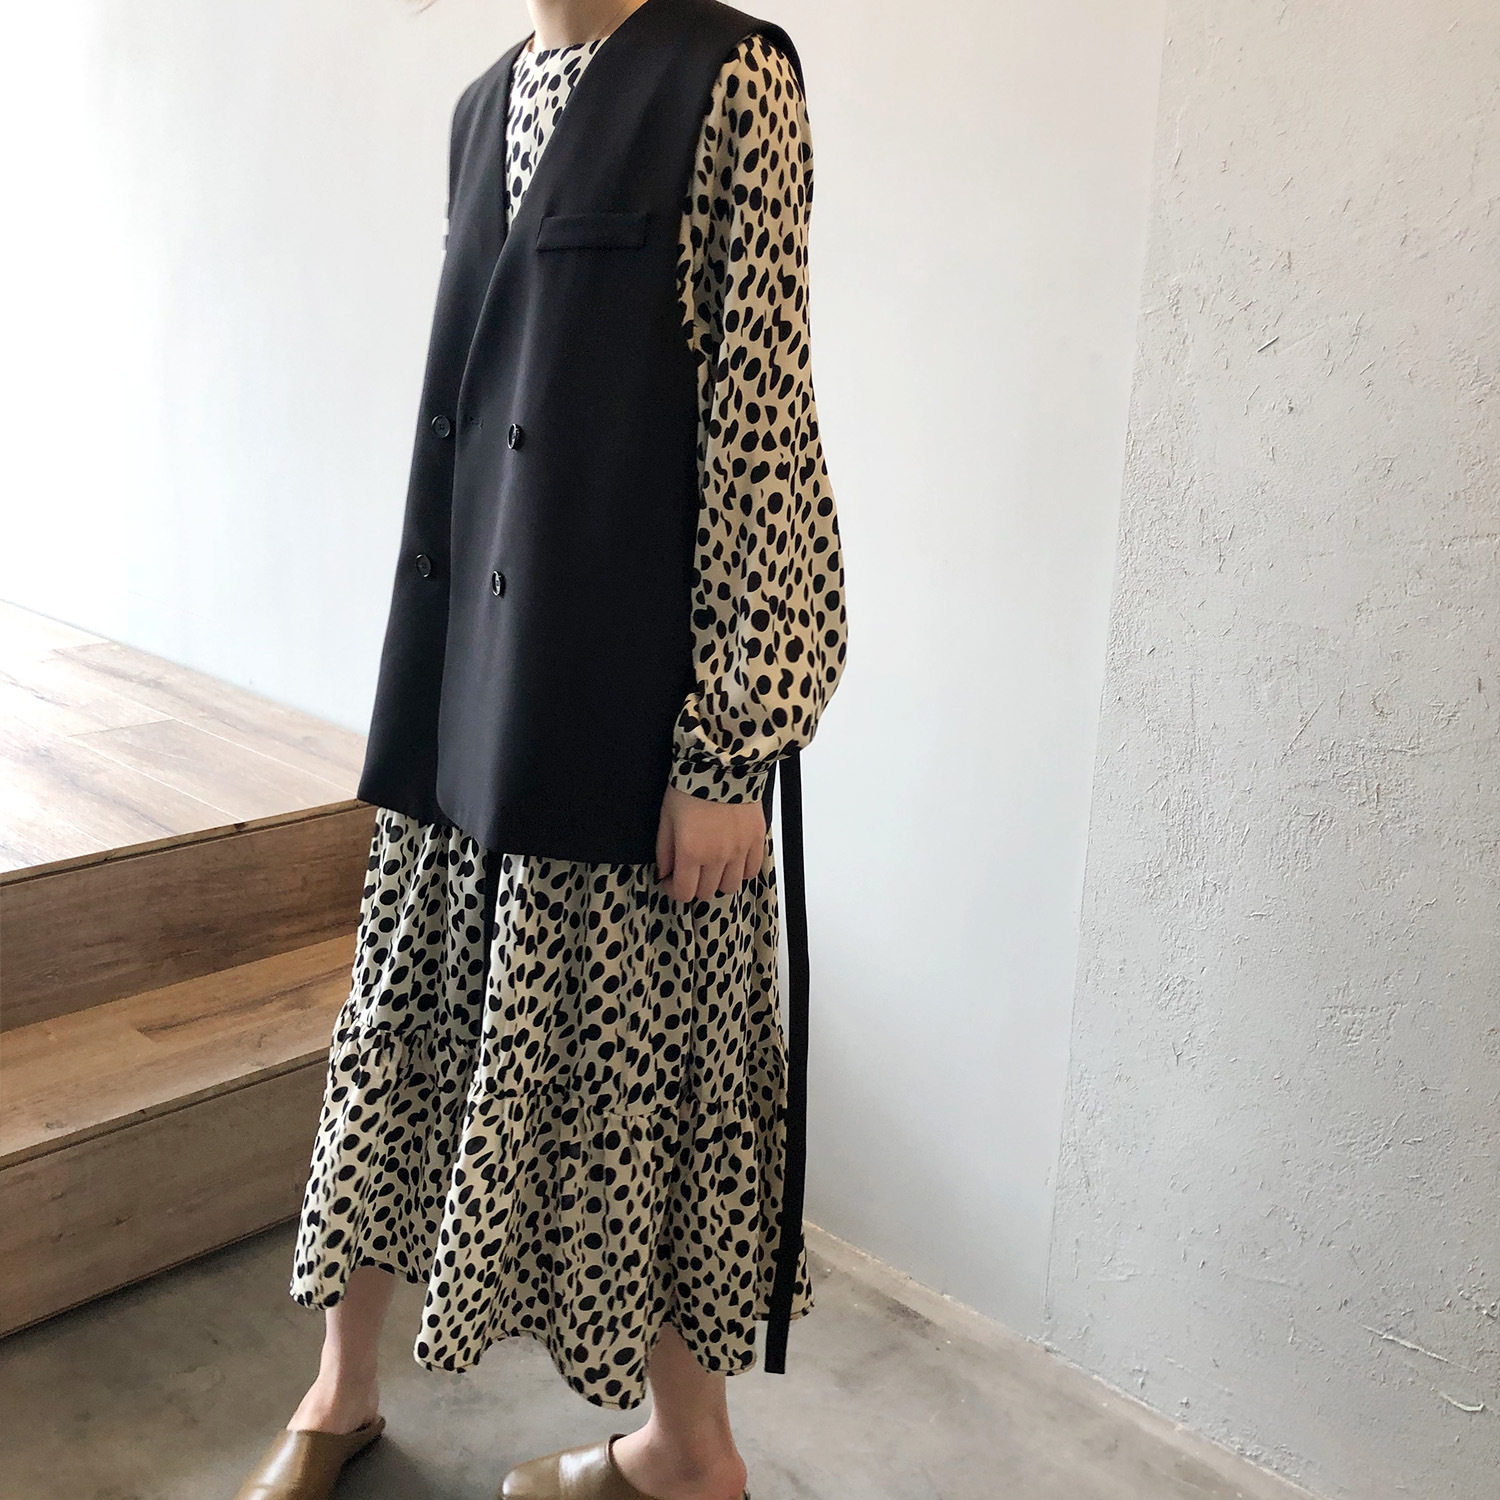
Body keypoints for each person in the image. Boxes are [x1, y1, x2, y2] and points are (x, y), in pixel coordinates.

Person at [233, 0, 846, 1496]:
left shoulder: (728, 78)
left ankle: (688, 1453)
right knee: (398, 1032)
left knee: (657, 1089)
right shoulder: (479, 109)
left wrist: (728, 749)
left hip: (632, 726)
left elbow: (762, 433)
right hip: (461, 690)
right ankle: (340, 1391)